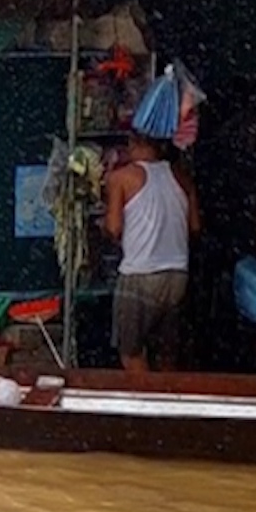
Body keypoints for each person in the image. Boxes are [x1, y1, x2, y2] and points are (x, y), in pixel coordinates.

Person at [104, 131, 200, 372]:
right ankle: (166, 402)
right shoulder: (182, 177)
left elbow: (114, 228)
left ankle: (145, 403)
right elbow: (195, 227)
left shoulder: (121, 178)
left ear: (132, 143)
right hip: (177, 275)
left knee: (131, 353)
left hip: (140, 275)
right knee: (167, 354)